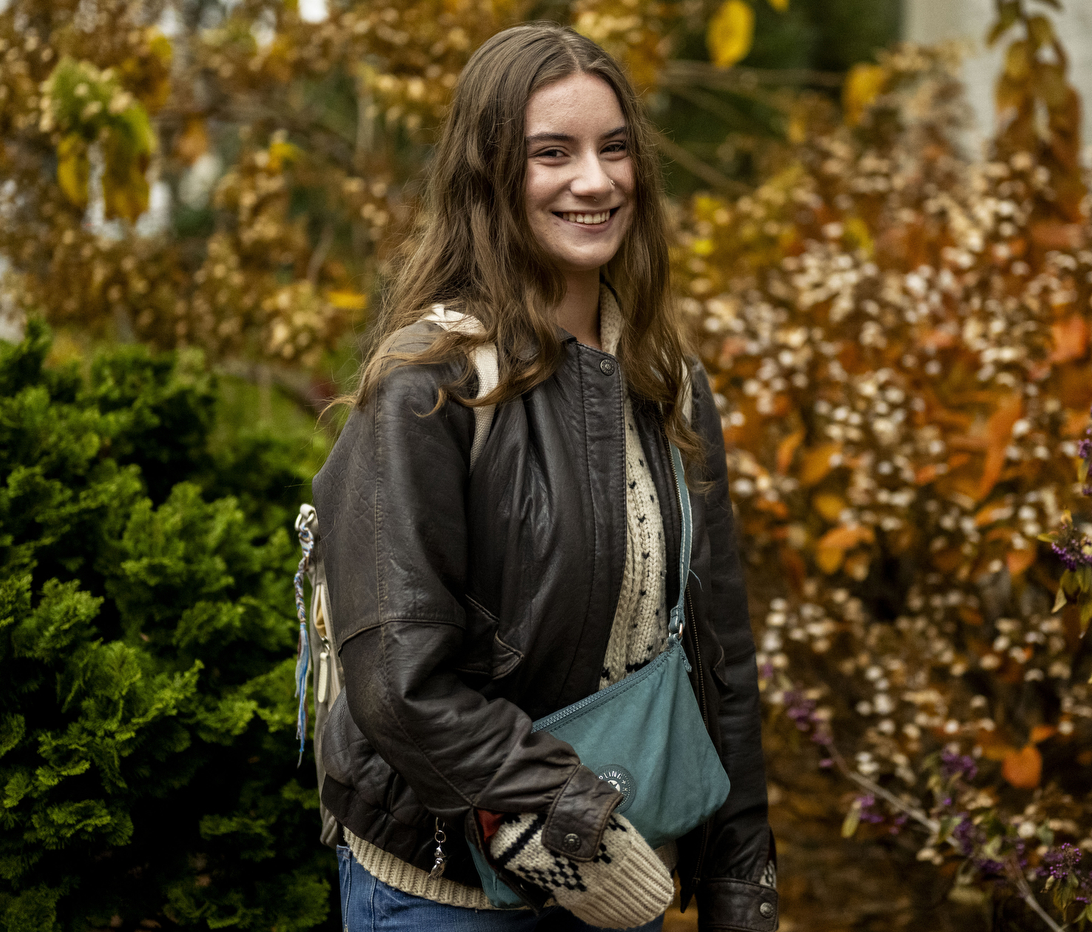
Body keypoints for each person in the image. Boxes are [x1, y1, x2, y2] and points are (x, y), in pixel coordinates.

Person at [312, 22, 776, 932]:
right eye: (551, 154)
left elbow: (721, 656)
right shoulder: (429, 388)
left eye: (614, 149)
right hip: (448, 894)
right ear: (489, 178)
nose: (595, 181)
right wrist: (575, 816)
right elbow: (401, 685)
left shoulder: (670, 384)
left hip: (622, 881)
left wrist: (740, 877)